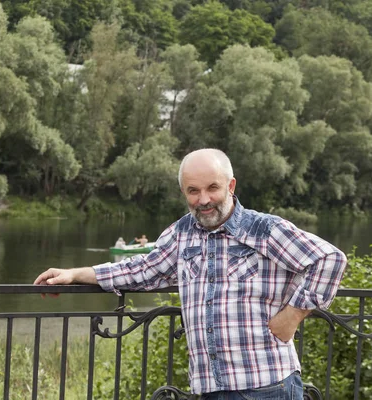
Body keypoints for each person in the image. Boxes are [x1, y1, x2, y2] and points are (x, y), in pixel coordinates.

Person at [34, 148, 347, 399]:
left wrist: (292, 316)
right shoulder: (181, 233)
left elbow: (329, 259)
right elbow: (142, 269)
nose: (204, 200)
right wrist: (76, 273)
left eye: (213, 188)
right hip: (211, 386)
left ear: (231, 186)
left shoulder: (263, 229)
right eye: (193, 191)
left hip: (267, 385)